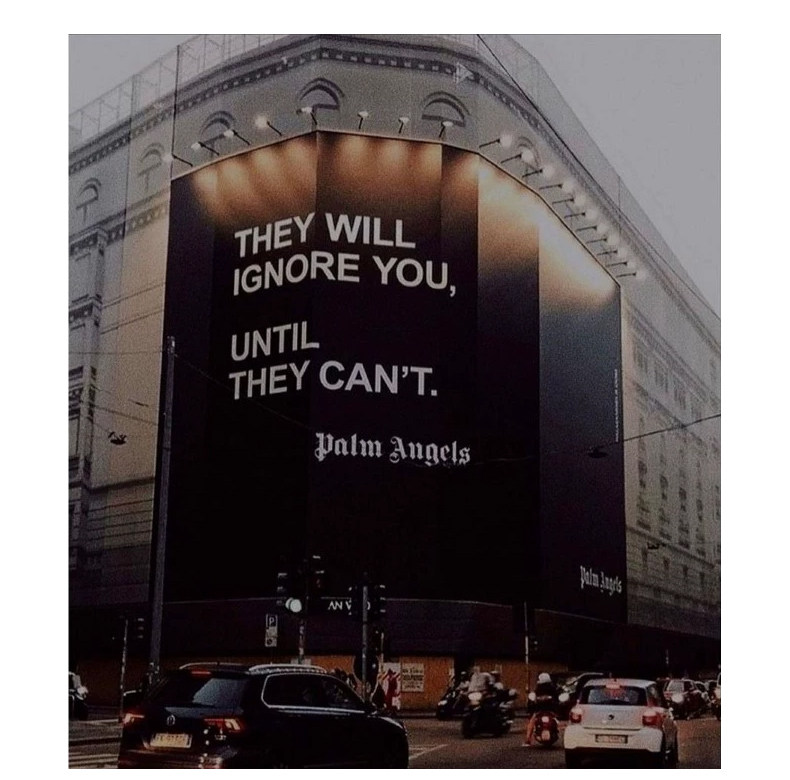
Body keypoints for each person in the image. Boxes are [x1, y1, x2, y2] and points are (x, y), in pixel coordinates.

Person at [523, 672, 560, 746]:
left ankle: (528, 740)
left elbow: (557, 699)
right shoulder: (551, 689)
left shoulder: (541, 689)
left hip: (546, 710)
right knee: (532, 721)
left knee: (532, 721)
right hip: (544, 710)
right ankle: (528, 739)